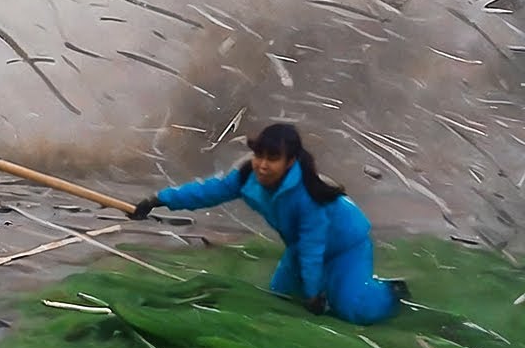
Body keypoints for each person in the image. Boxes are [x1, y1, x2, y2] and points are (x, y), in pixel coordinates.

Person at [131, 123, 407, 325]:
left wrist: (313, 294)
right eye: (259, 155)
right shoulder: (247, 178)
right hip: (301, 247)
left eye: (272, 158)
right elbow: (207, 192)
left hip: (346, 245)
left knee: (353, 310)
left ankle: (392, 291)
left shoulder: (308, 197)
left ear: (290, 162)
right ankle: (332, 288)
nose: (262, 165)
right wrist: (159, 199)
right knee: (278, 300)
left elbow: (313, 247)